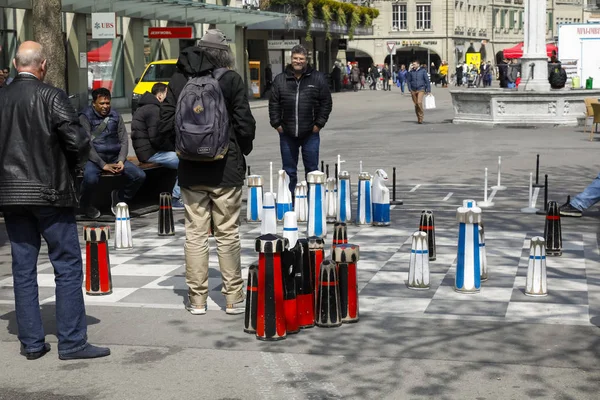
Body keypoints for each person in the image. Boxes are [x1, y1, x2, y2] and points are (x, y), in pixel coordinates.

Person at [0, 41, 110, 361]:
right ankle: (72, 341)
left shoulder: (2, 98)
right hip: (50, 192)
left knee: (23, 269)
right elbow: (77, 140)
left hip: (12, 195)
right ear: (44, 65)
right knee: (67, 264)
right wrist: (74, 169)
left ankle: (32, 343)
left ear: (15, 63)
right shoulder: (51, 96)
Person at [158, 29, 256, 315]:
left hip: (190, 170)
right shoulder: (231, 80)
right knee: (227, 234)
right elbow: (245, 125)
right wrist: (240, 150)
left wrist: (183, 149)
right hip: (226, 169)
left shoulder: (178, 80)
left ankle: (197, 300)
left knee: (195, 235)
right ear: (225, 54)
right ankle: (233, 298)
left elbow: (164, 124)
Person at [269, 44, 332, 194]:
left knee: (312, 171)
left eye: (301, 59)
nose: (298, 61)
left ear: (306, 60)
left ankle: (312, 203)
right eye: (296, 58)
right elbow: (273, 103)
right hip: (287, 133)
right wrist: (277, 124)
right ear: (291, 59)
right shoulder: (280, 80)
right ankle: (289, 203)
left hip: (310, 132)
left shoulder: (317, 78)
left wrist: (319, 124)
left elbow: (326, 103)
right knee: (289, 171)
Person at [79, 88, 146, 219]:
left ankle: (120, 198)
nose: (105, 106)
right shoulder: (84, 116)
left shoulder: (116, 115)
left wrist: (121, 160)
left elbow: (123, 140)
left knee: (139, 176)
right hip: (94, 159)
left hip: (115, 157)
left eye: (107, 103)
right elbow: (86, 144)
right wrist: (102, 164)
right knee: (90, 179)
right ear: (94, 103)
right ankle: (85, 205)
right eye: (101, 103)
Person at [131, 82, 183, 209]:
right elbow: (156, 138)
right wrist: (173, 149)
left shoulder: (147, 107)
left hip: (147, 151)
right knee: (185, 162)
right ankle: (176, 198)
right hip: (150, 153)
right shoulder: (153, 109)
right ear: (160, 95)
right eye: (167, 95)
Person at [406, 59, 431, 124]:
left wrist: (428, 90)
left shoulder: (423, 71)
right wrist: (410, 89)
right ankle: (419, 118)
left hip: (421, 88)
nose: (413, 65)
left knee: (419, 102)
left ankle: (421, 116)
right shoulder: (411, 72)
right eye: (412, 64)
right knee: (416, 104)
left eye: (414, 64)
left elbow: (427, 80)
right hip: (413, 89)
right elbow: (408, 80)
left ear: (418, 64)